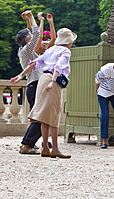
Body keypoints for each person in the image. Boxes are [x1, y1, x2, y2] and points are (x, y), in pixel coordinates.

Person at [11, 27, 77, 159]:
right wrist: (53, 82)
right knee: (53, 115)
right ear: (69, 42)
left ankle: (46, 148)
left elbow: (35, 63)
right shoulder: (65, 51)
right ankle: (55, 149)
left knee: (44, 116)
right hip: (53, 80)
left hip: (42, 79)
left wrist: (20, 75)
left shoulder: (51, 49)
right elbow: (58, 66)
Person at [15, 10, 43, 155]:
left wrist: (28, 20)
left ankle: (29, 143)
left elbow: (33, 33)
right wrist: (32, 17)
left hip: (35, 86)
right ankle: (26, 144)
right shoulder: (26, 51)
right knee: (40, 117)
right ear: (27, 41)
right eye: (29, 37)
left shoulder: (26, 52)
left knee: (37, 117)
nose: (32, 38)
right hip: (35, 86)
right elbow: (37, 34)